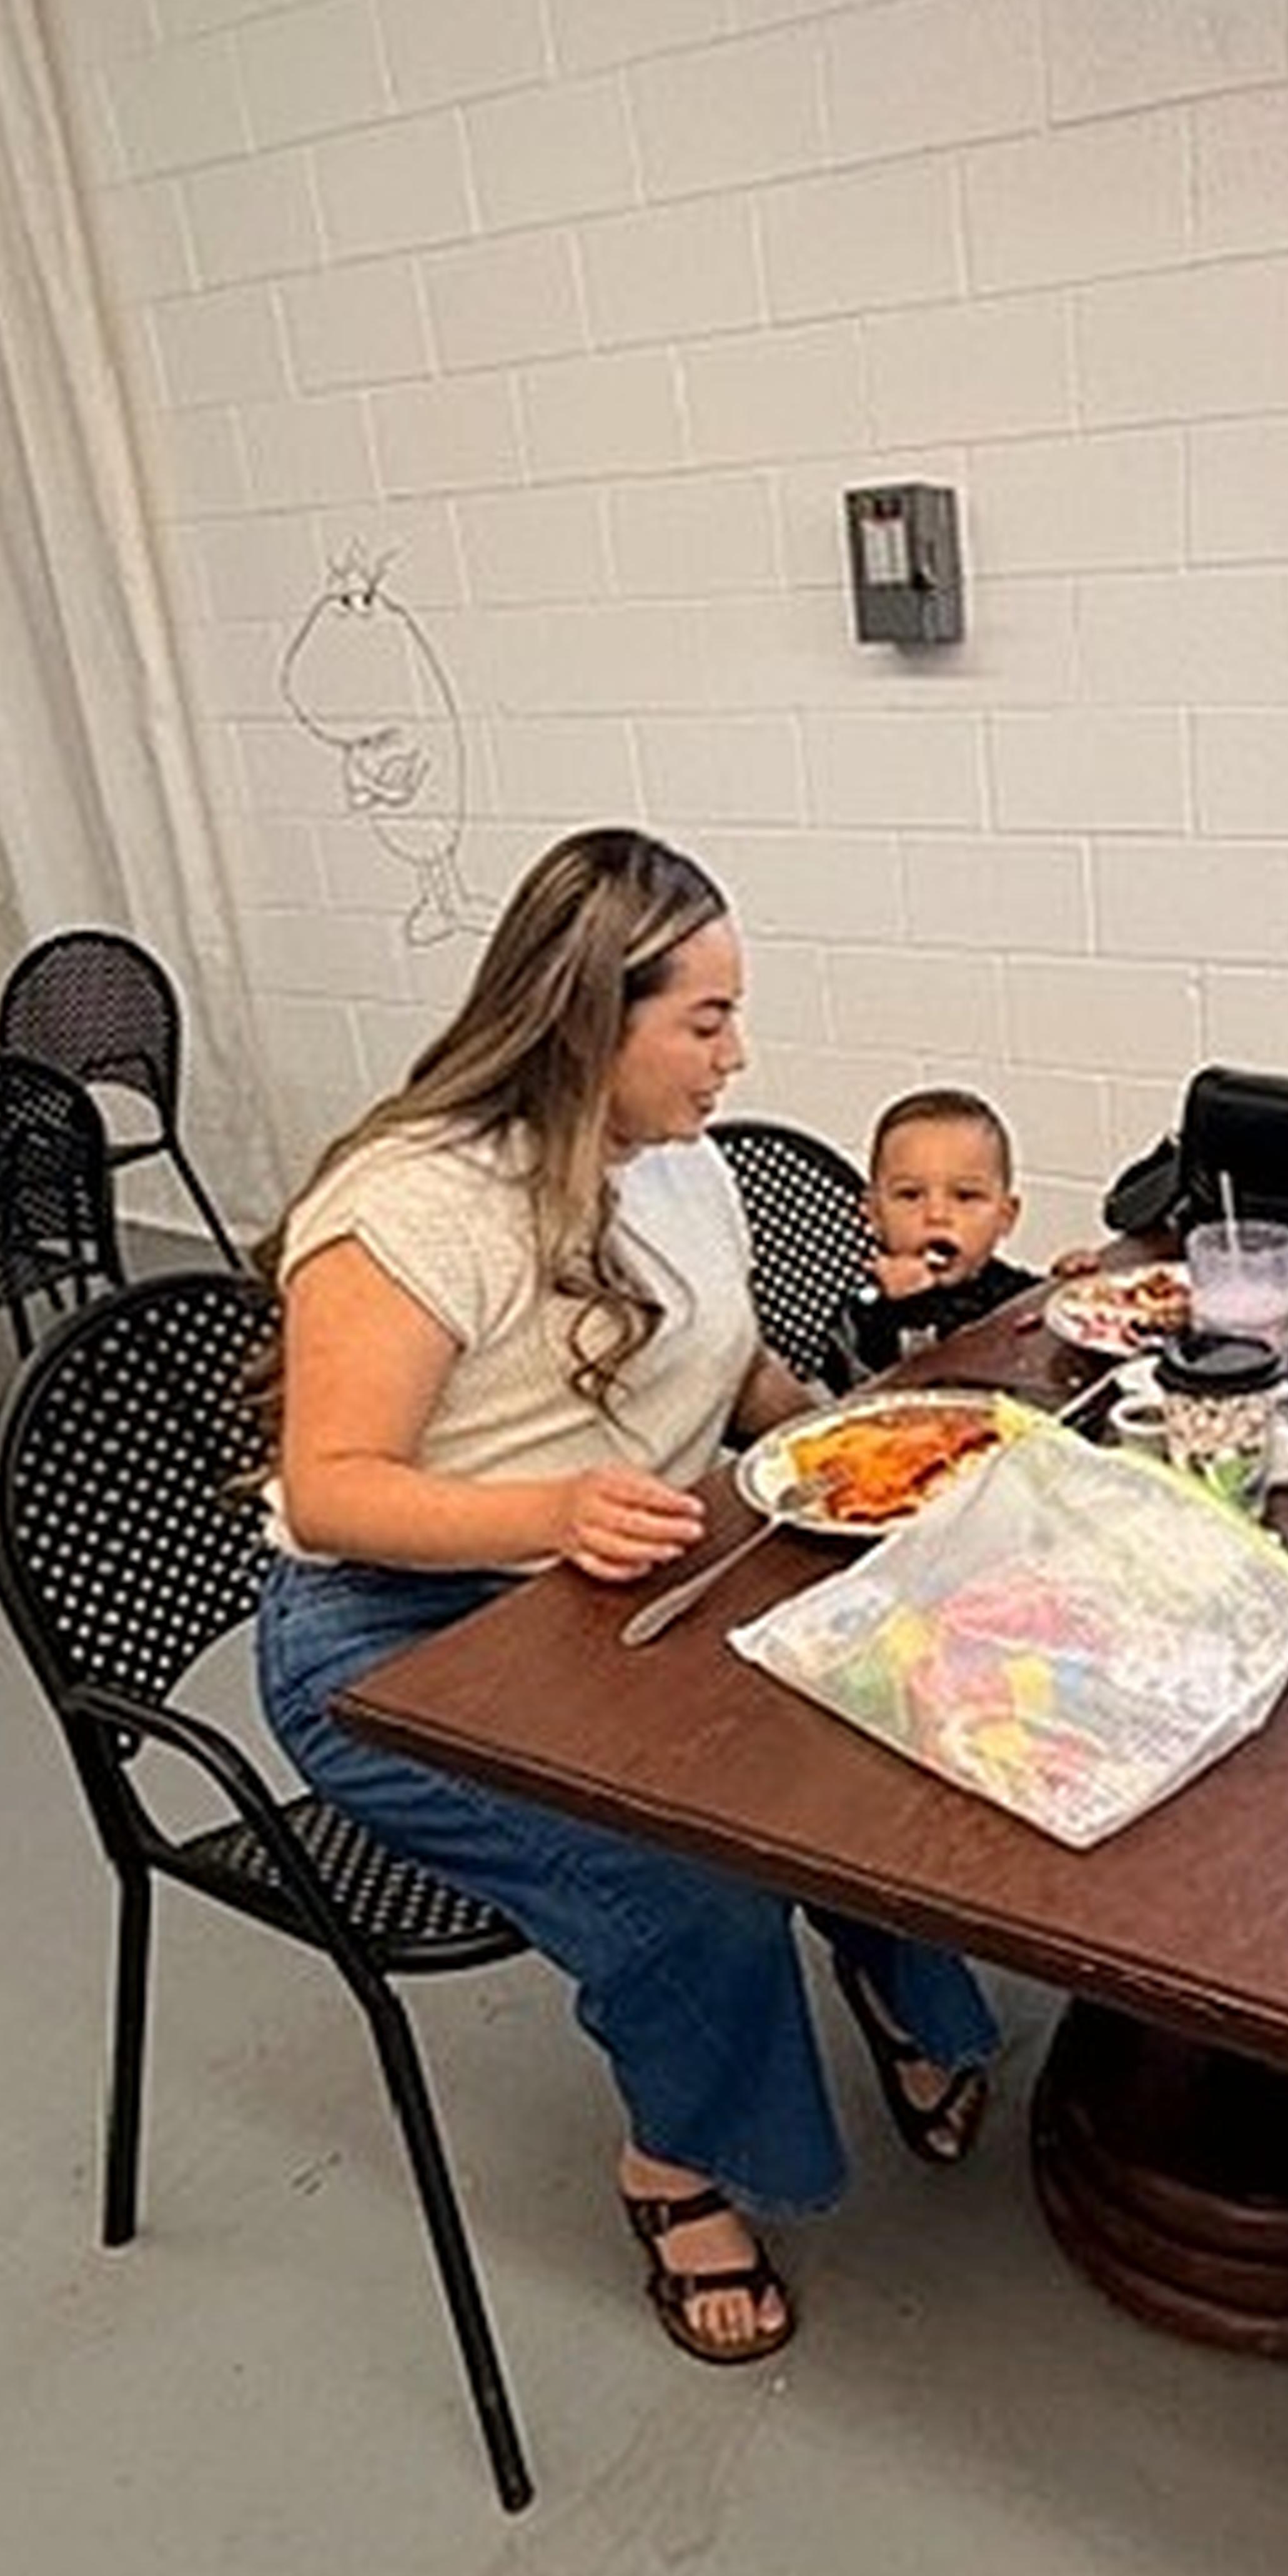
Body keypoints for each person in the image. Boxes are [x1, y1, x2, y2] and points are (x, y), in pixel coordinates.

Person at [252, 827, 1000, 2368]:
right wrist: (552, 1509)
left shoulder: (677, 1159)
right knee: (692, 1883)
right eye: (707, 1021)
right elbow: (331, 1488)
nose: (738, 1056)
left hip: (621, 1581)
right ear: (593, 1016)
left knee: (879, 1715)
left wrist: (845, 1429)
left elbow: (726, 1361)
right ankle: (673, 2165)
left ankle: (899, 1992)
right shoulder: (408, 1204)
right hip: (401, 1637)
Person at [823, 1087, 1041, 1388]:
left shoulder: (1013, 1293)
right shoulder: (867, 1307)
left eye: (965, 1196)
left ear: (1005, 1217)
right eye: (911, 1195)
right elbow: (861, 1382)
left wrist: (1071, 1284)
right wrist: (903, 1305)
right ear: (875, 1215)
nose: (937, 1214)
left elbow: (1055, 1334)